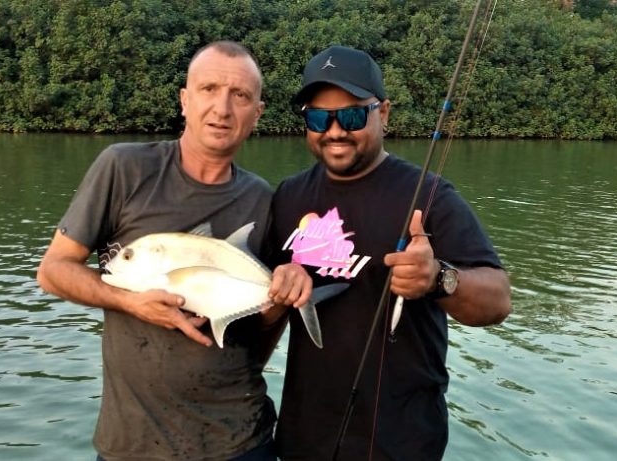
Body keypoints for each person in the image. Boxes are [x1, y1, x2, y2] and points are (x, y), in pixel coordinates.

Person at [36, 41, 311, 461]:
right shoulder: (124, 168)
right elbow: (53, 270)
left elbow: (265, 319)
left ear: (257, 114)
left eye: (240, 96)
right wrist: (132, 303)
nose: (222, 108)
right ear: (184, 100)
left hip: (241, 440)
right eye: (209, 89)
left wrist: (284, 296)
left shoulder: (262, 198)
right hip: (133, 444)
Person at [265, 45, 512, 460]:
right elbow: (267, 313)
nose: (335, 130)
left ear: (384, 114)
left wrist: (438, 278)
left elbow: (498, 300)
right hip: (303, 437)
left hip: (400, 443)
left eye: (352, 115)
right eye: (319, 117)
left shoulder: (430, 197)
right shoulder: (289, 196)